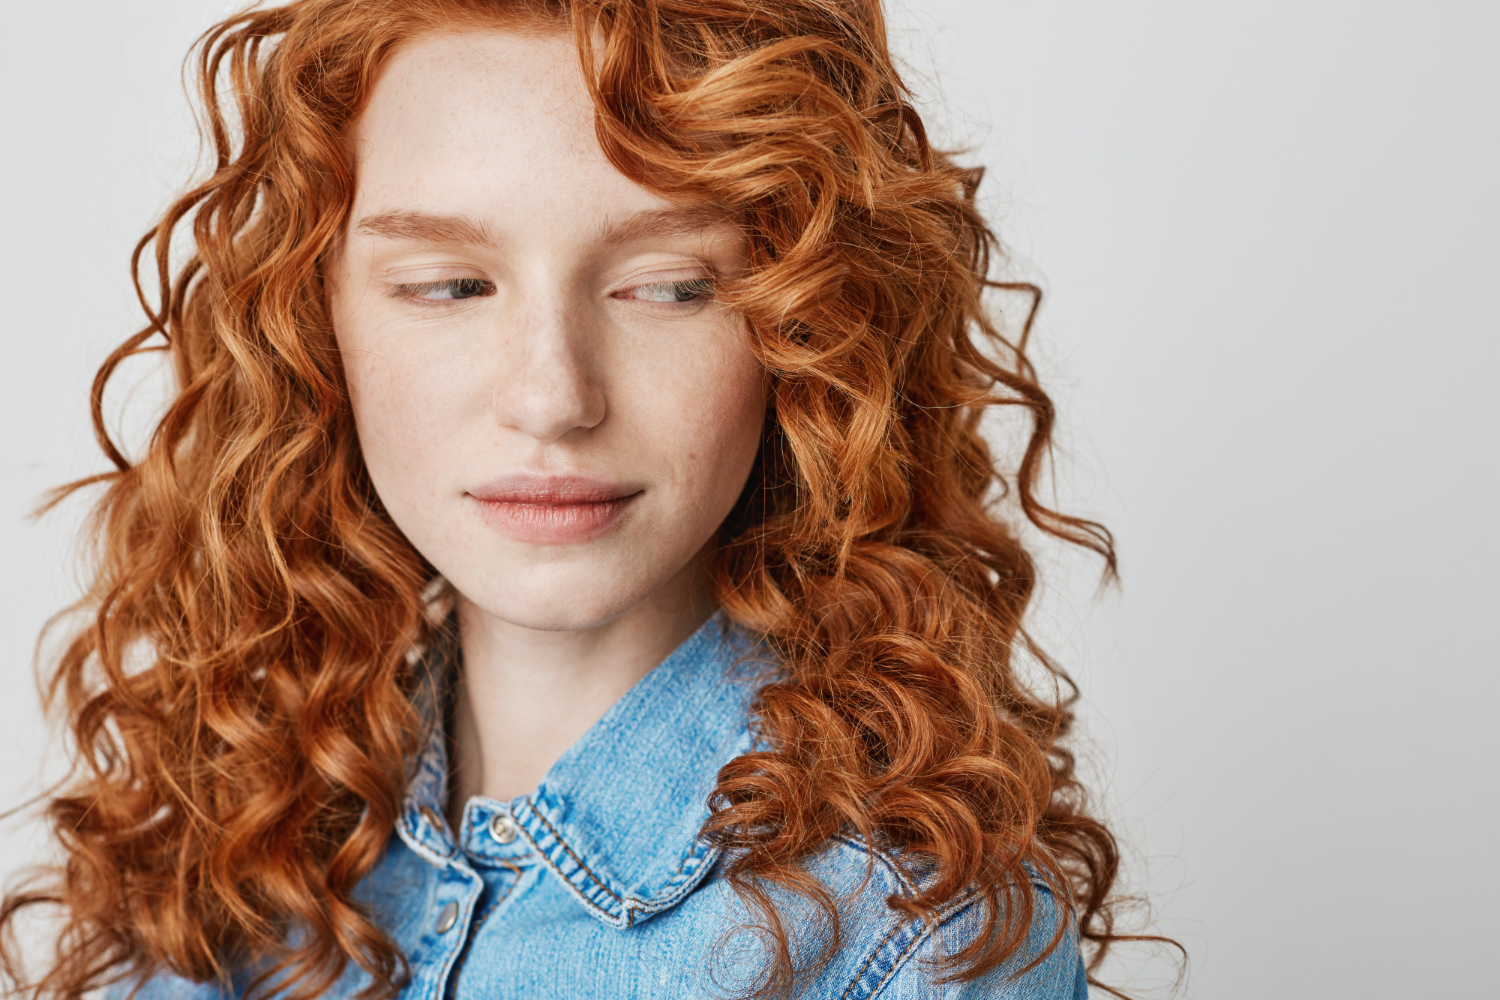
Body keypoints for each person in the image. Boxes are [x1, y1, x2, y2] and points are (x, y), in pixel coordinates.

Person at [0, 1, 1150, 997]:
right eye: (450, 284)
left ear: (806, 327)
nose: (552, 397)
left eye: (667, 286)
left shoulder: (910, 937)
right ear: (317, 323)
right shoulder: (247, 830)